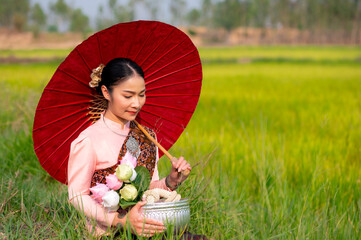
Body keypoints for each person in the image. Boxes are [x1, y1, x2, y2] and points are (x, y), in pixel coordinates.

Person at [67, 58, 192, 238]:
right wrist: (119, 221)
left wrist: (171, 181)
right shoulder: (89, 140)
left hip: (147, 228)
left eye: (141, 94)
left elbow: (148, 189)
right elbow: (77, 196)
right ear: (106, 92)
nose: (136, 103)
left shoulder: (148, 136)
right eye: (128, 96)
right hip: (108, 233)